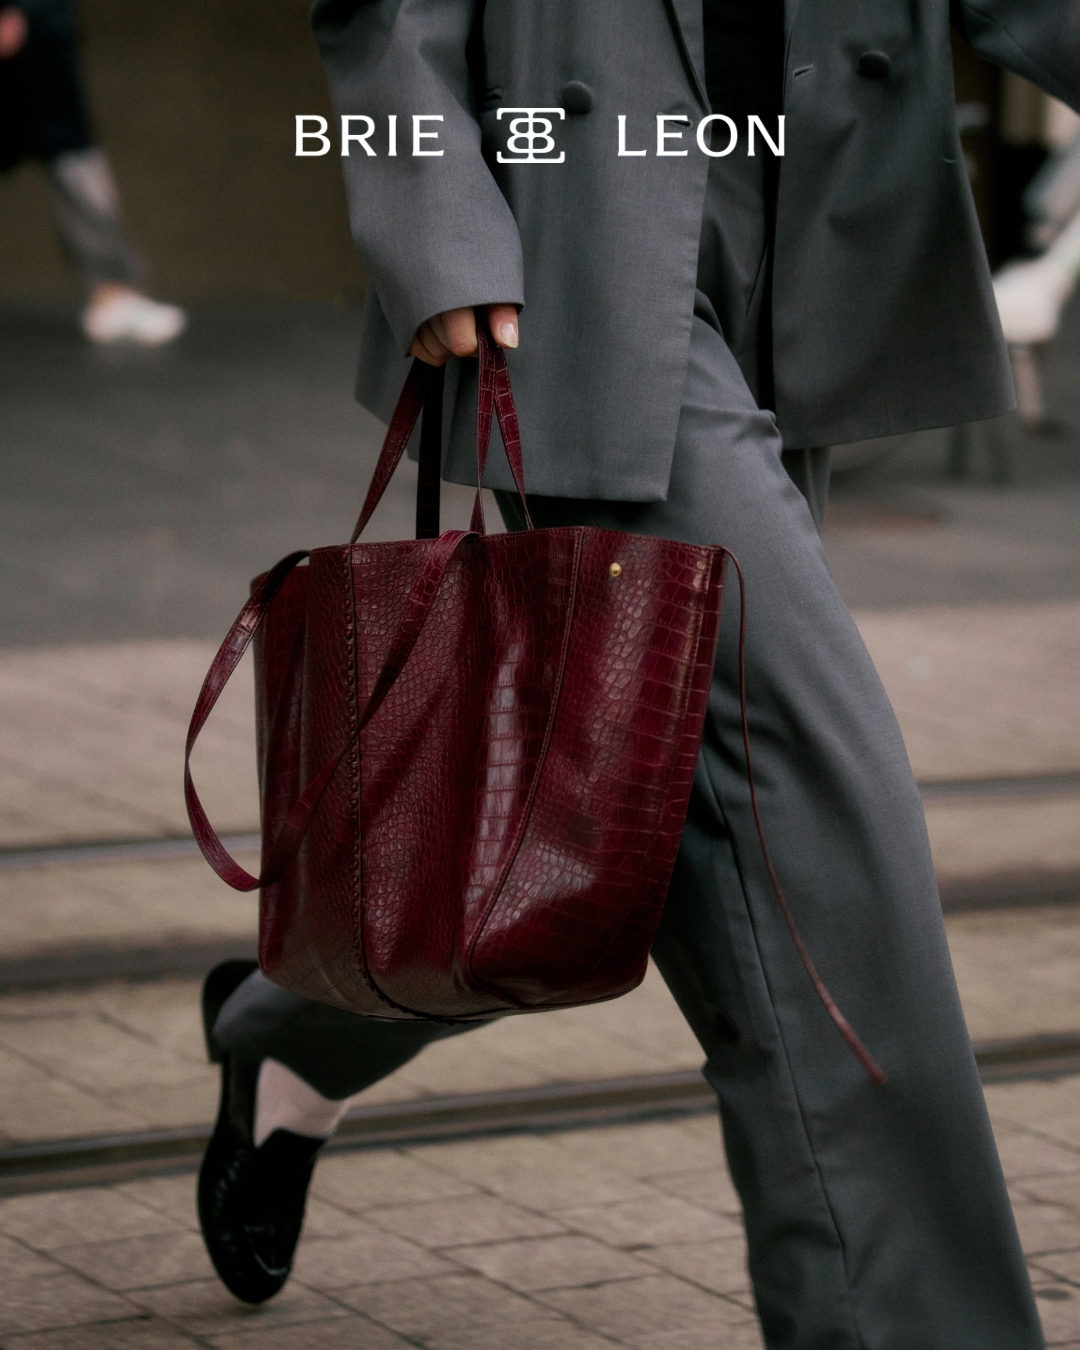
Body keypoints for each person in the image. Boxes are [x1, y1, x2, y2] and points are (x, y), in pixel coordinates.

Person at [197, 2, 1080, 1344]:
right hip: (572, 237)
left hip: (813, 218)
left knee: (655, 806)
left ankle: (300, 1022)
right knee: (815, 826)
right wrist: (436, 206)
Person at [0, 0, 185, 344]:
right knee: (73, 156)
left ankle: (114, 295)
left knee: (73, 154)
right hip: (26, 23)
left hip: (42, 29)